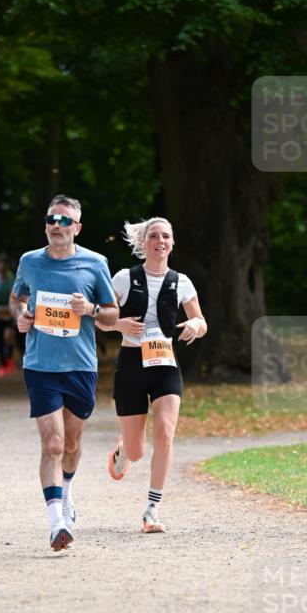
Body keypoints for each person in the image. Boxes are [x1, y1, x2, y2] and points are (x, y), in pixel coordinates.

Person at [10, 194, 118, 551]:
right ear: (45, 225)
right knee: (53, 443)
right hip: (40, 364)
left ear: (77, 228)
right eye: (52, 219)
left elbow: (111, 315)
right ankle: (56, 521)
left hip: (81, 365)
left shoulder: (95, 262)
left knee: (71, 444)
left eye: (65, 221)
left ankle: (67, 494)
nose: (57, 226)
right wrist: (21, 316)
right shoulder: (30, 262)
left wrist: (89, 308)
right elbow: (17, 298)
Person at [98, 217, 207, 533]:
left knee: (165, 431)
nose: (161, 241)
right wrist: (118, 324)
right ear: (143, 243)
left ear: (172, 244)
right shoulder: (122, 278)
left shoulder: (181, 282)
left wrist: (196, 327)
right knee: (137, 451)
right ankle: (123, 449)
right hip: (131, 361)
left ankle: (152, 510)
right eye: (154, 236)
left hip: (165, 363)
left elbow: (200, 320)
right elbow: (101, 319)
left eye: (166, 236)